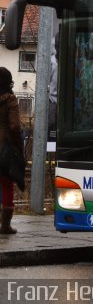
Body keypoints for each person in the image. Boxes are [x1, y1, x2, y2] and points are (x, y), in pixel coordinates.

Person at [0, 67, 24, 234]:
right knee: (7, 185)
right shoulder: (10, 100)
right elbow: (15, 126)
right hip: (4, 147)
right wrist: (17, 146)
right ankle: (5, 225)